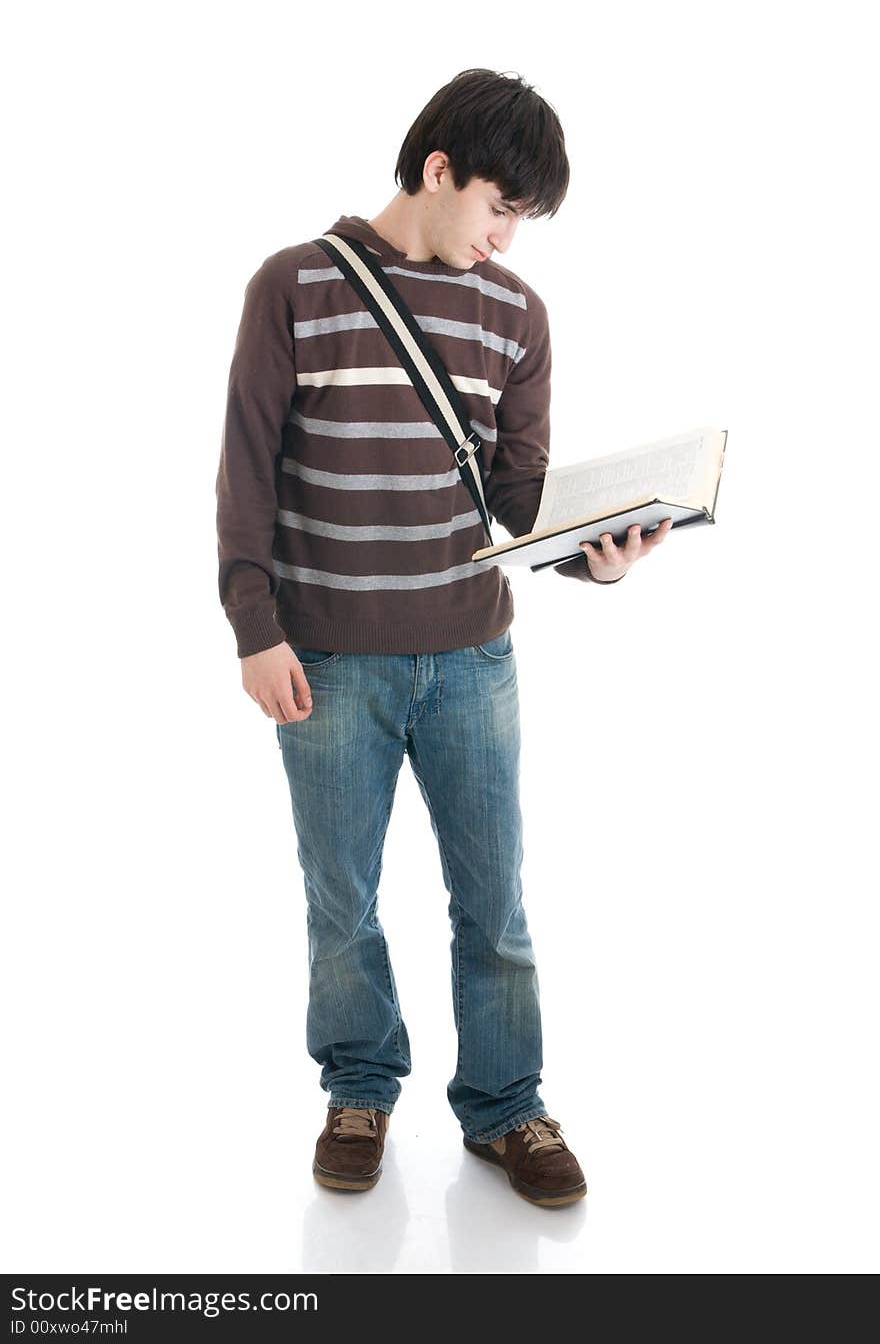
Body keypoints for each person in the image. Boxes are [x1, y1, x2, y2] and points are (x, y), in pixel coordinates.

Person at [215, 67, 672, 1209]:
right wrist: (253, 627)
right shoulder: (293, 284)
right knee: (342, 896)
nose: (508, 236)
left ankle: (507, 1108)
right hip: (323, 659)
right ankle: (360, 1086)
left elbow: (515, 498)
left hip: (472, 656)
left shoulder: (516, 313)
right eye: (499, 207)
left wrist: (589, 554)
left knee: (494, 897)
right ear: (437, 171)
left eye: (522, 218)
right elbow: (244, 475)